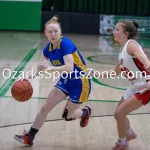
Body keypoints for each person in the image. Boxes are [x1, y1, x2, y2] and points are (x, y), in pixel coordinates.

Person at [14, 16, 91, 146]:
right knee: (45, 108)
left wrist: (49, 68)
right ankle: (30, 136)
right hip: (66, 81)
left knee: (67, 116)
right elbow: (40, 66)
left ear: (60, 32)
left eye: (56, 31)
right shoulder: (47, 49)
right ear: (45, 33)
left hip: (80, 82)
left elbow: (69, 68)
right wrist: (27, 78)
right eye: (50, 32)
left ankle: (85, 112)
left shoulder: (65, 44)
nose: (53, 34)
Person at [92, 20, 150, 150]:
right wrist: (94, 73)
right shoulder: (123, 49)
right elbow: (114, 72)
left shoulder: (131, 45)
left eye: (117, 29)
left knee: (119, 113)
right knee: (118, 114)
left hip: (145, 85)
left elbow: (147, 63)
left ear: (126, 34)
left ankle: (122, 142)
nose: (114, 32)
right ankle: (129, 133)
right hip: (134, 85)